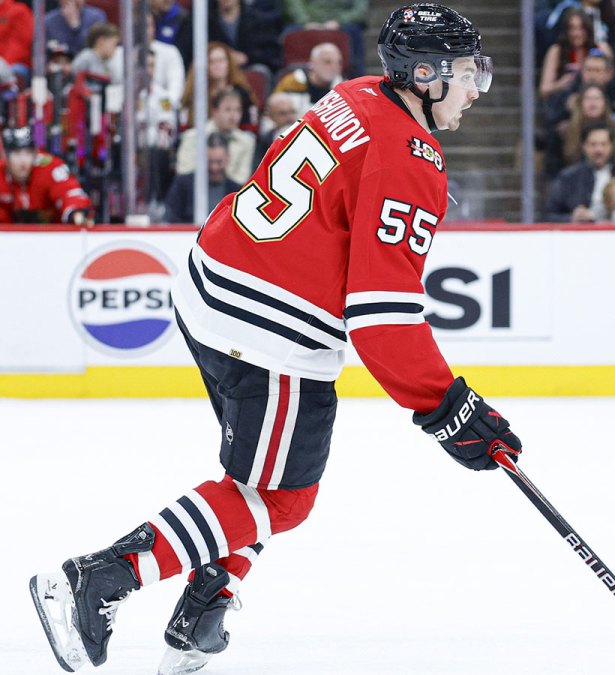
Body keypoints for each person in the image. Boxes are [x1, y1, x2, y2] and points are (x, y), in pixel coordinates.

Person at [28, 8, 520, 675]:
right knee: (281, 498)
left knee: (259, 477)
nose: (475, 89)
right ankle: (102, 576)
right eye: (467, 74)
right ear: (426, 76)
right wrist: (450, 408)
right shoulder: (412, 162)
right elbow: (382, 317)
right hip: (270, 332)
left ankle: (205, 605)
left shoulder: (355, 93)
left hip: (211, 286)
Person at [545, 122, 615, 221]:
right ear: (584, 146)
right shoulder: (568, 177)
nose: (598, 150)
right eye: (593, 144)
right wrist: (572, 218)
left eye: (603, 144)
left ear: (612, 146)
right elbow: (549, 216)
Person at [0, 126, 93, 224]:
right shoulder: (1, 172)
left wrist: (76, 212)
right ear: (6, 156)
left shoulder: (49, 167)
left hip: (53, 235)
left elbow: (70, 192)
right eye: (17, 153)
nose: (23, 161)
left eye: (28, 153)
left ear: (35, 154)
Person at [176, 87, 257, 183]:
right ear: (215, 112)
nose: (233, 116)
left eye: (238, 110)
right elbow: (184, 171)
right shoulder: (193, 137)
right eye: (228, 110)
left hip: (228, 193)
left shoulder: (247, 141)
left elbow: (241, 179)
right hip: (195, 190)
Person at [163, 132, 244, 222]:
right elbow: (169, 220)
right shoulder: (182, 185)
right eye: (210, 162)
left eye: (219, 162)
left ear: (228, 159)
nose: (214, 167)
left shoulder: (237, 191)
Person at [181, 42, 259, 128]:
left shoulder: (242, 93)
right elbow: (184, 127)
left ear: (229, 63)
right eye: (211, 61)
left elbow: (252, 126)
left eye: (221, 61)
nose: (217, 65)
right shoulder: (195, 93)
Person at [274, 42, 345, 117]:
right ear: (312, 63)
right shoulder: (291, 83)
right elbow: (272, 116)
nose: (334, 67)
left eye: (338, 63)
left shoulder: (344, 88)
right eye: (327, 62)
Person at [255, 92, 299, 164]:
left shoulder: (308, 135)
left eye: (292, 112)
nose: (289, 117)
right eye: (282, 113)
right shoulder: (264, 141)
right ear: (271, 116)